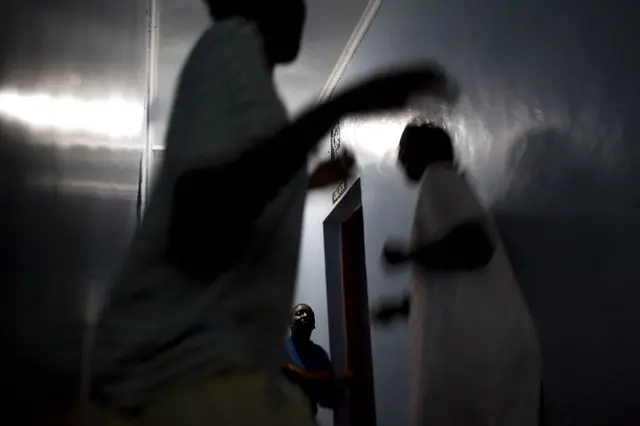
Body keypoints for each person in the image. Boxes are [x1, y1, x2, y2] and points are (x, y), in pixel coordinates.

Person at [90, 0, 455, 423]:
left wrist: (307, 179)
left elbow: (241, 194)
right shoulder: (230, 46)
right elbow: (199, 218)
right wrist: (340, 105)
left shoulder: (250, 90)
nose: (300, 8)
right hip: (177, 384)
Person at [373, 123, 541, 426]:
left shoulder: (438, 180)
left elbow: (475, 248)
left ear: (422, 151)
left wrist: (407, 255)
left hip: (479, 358)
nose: (399, 160)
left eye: (403, 150)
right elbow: (455, 278)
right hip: (493, 351)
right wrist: (403, 307)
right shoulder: (450, 186)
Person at [282, 304, 348, 419]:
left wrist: (341, 385)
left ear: (313, 326)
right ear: (290, 324)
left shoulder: (320, 356)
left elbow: (330, 399)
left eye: (308, 315)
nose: (304, 316)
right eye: (299, 313)